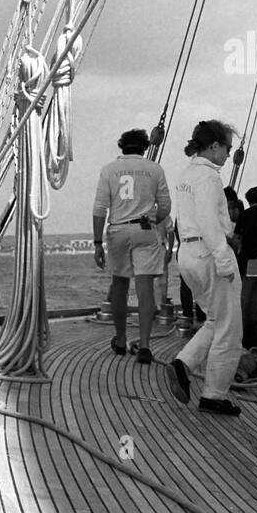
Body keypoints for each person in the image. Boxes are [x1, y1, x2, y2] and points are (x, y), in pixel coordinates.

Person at [167, 119, 243, 417]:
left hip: (187, 253)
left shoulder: (186, 174)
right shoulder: (209, 178)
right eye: (227, 148)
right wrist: (225, 260)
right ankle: (214, 395)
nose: (228, 154)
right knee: (229, 329)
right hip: (209, 255)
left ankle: (183, 365)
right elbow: (210, 223)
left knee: (214, 319)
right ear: (214, 147)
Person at [93, 129, 171, 362]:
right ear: (145, 147)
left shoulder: (109, 170)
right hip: (144, 229)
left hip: (118, 229)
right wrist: (154, 220)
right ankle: (145, 346)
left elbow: (99, 209)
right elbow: (165, 206)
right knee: (144, 288)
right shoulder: (155, 170)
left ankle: (119, 340)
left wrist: (98, 243)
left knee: (120, 286)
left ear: (122, 147)